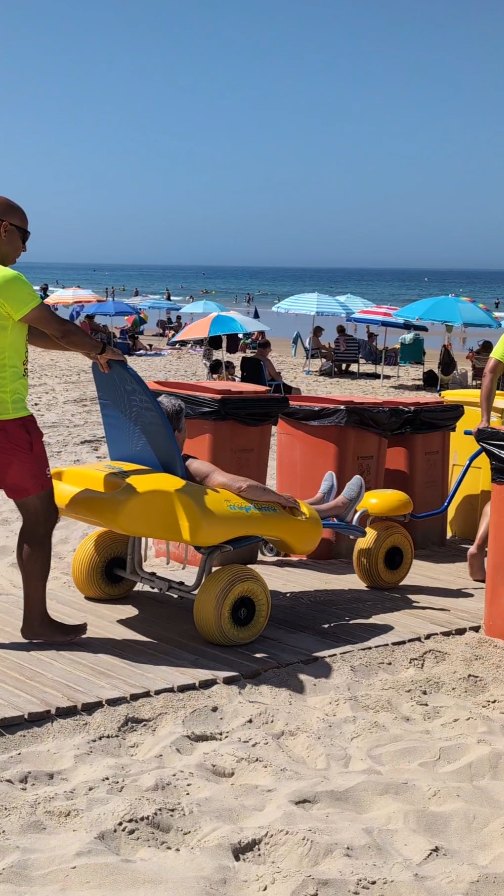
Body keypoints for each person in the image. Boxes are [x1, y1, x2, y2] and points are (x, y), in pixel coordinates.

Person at [0, 196, 125, 642]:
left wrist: (85, 352)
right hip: (6, 422)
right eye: (24, 235)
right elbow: (57, 327)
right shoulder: (7, 279)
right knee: (40, 516)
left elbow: (30, 335)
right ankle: (35, 622)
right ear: (3, 229)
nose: (25, 247)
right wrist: (100, 348)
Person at [157, 396, 365, 521]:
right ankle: (337, 508)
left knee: (265, 499)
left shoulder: (150, 461)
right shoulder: (188, 465)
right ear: (177, 432)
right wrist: (279, 498)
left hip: (171, 518)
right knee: (264, 501)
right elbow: (242, 487)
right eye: (186, 425)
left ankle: (316, 502)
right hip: (218, 520)